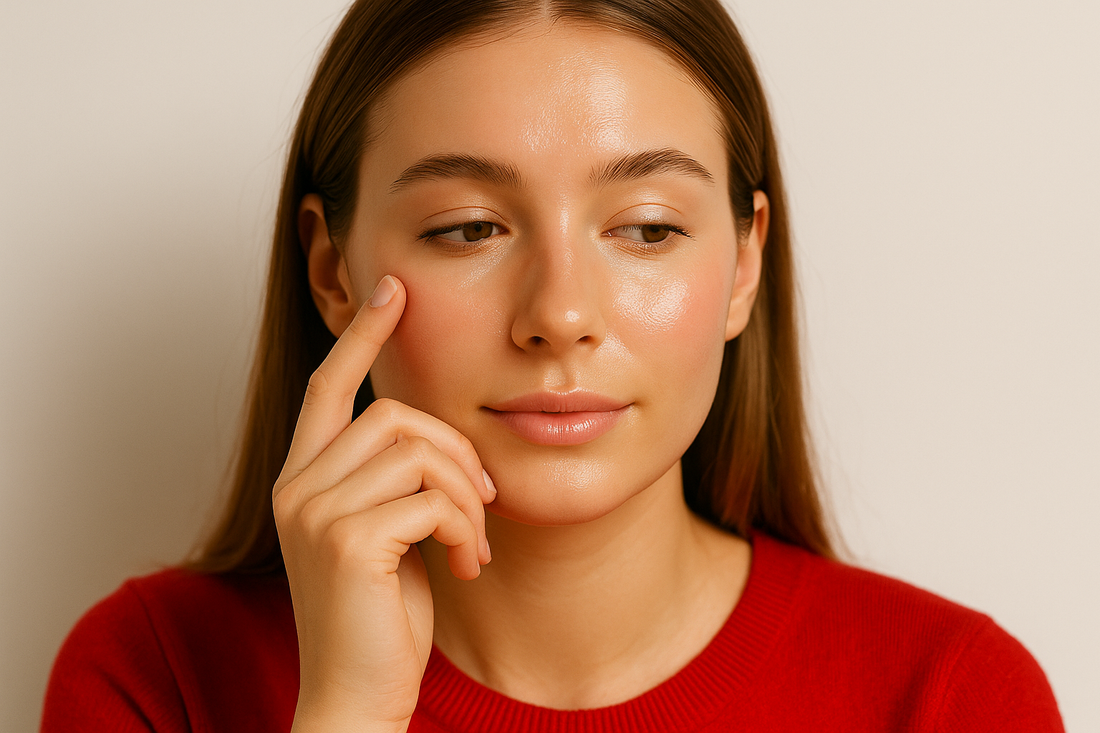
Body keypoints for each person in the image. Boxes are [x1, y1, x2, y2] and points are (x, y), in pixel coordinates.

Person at [41, 1, 1064, 731]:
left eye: (648, 229)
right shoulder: (150, 677)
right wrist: (347, 711)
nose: (560, 314)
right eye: (469, 227)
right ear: (332, 270)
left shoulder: (949, 697)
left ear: (744, 264)